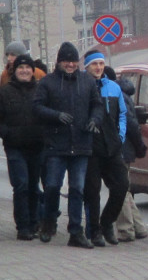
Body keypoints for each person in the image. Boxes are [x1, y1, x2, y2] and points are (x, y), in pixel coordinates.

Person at [33, 42, 103, 248]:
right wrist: (56, 116)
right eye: (67, 61)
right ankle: (48, 223)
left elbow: (97, 105)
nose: (70, 65)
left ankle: (75, 231)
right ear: (59, 62)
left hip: (81, 143)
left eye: (73, 61)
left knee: (77, 189)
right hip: (56, 143)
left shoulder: (87, 81)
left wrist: (94, 120)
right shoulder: (48, 82)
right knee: (52, 186)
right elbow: (37, 107)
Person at [82, 50, 130, 247]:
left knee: (121, 185)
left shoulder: (113, 87)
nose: (99, 67)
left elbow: (122, 114)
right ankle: (94, 231)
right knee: (92, 192)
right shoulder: (81, 87)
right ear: (86, 67)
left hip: (111, 146)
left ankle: (107, 222)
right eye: (94, 64)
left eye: (101, 63)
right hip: (90, 147)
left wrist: (120, 136)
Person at [0, 53, 45, 239]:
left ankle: (34, 222)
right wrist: (6, 133)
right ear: (15, 70)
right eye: (21, 68)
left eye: (27, 68)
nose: (24, 71)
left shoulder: (41, 91)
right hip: (15, 146)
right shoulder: (4, 92)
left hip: (37, 145)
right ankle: (23, 226)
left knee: (34, 186)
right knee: (21, 185)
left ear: (32, 71)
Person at [112, 70, 148, 242]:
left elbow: (130, 125)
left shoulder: (117, 97)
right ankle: (139, 227)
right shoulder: (124, 96)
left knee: (119, 189)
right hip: (124, 149)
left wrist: (140, 145)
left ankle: (126, 229)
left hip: (119, 149)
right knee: (124, 189)